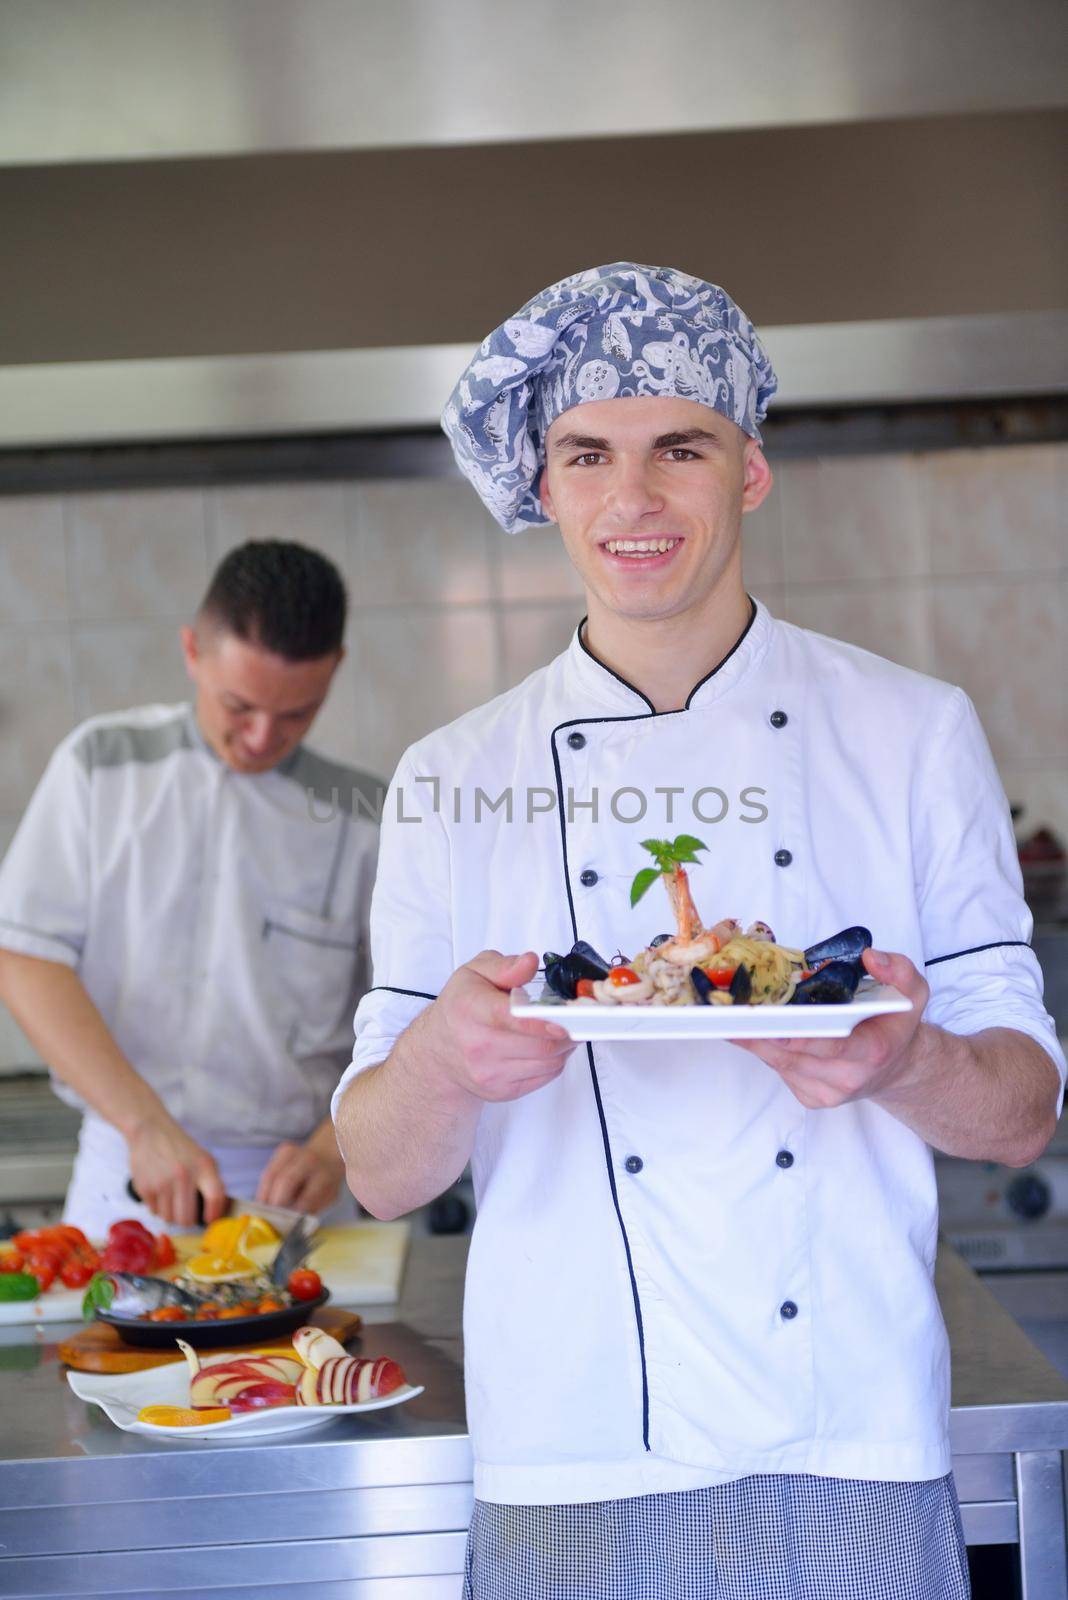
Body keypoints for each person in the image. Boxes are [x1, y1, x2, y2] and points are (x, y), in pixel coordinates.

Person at [332, 265, 1065, 1599]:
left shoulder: (911, 731)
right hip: (569, 1448)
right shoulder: (449, 775)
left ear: (751, 473)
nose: (633, 500)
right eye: (588, 455)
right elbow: (379, 1174)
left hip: (850, 1432)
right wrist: (444, 1060)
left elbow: (1021, 1115)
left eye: (682, 447)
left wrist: (904, 1063)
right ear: (543, 486)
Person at [0, 539, 380, 1234]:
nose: (264, 736)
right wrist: (143, 1125)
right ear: (192, 653)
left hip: (301, 1192)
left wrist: (340, 1147)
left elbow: (407, 1011)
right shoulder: (99, 767)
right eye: (239, 705)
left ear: (335, 672)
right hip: (130, 1174)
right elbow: (23, 956)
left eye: (298, 713)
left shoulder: (363, 818)